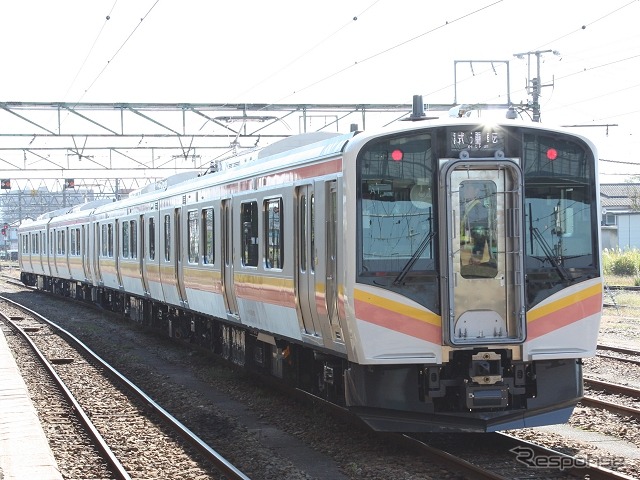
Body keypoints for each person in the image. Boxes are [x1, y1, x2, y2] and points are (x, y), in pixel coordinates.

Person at [461, 183, 492, 264]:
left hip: (475, 258)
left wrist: (477, 256)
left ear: (476, 191)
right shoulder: (469, 207)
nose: (464, 191)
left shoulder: (479, 209)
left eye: (468, 188)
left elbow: (480, 234)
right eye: (464, 188)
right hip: (467, 252)